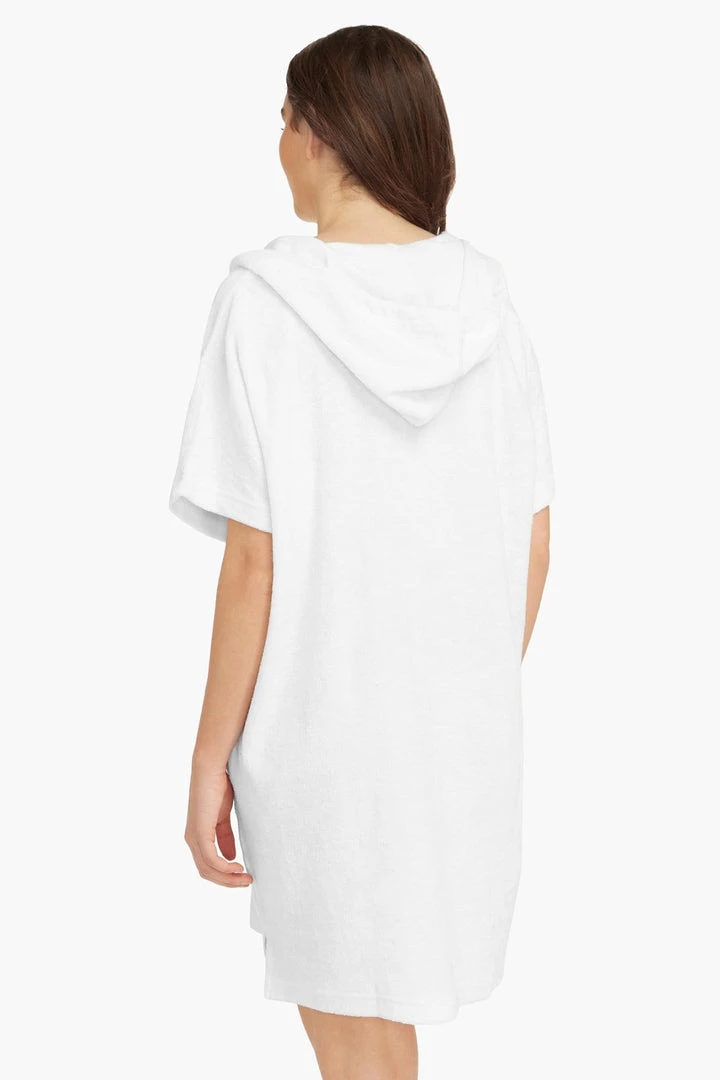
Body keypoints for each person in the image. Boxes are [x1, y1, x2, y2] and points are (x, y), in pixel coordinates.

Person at [168, 23, 554, 1080]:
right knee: (378, 1031)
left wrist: (207, 761)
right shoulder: (490, 305)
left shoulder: (263, 302)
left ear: (322, 133)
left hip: (320, 744)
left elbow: (254, 562)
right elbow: (532, 536)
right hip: (458, 746)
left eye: (284, 119)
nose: (279, 144)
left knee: (353, 1036)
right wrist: (463, 695)